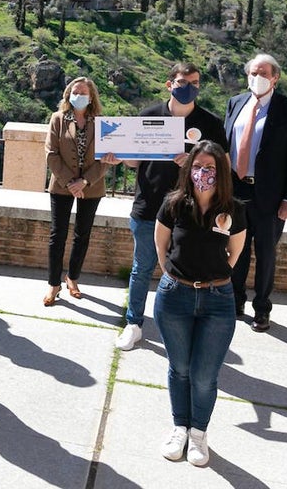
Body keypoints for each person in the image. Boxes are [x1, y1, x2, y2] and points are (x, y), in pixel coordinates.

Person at [115, 63, 227, 351]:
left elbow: (222, 166)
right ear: (169, 84)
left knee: (184, 272)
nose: (189, 86)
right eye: (182, 81)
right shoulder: (149, 115)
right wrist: (116, 154)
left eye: (195, 82)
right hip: (148, 205)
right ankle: (134, 323)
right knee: (142, 268)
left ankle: (179, 326)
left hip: (191, 212)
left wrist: (191, 162)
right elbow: (134, 161)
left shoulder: (211, 123)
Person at [154, 140, 246, 467]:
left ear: (221, 172)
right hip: (174, 297)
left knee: (204, 376)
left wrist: (211, 280)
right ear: (188, 168)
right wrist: (176, 278)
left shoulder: (234, 210)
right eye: (197, 166)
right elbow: (161, 246)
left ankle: (198, 433)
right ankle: (180, 426)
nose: (202, 173)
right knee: (179, 369)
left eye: (209, 167)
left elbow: (234, 255)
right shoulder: (174, 204)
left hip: (218, 302)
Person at [224, 53, 287, 332]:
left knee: (266, 254)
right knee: (236, 249)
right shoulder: (235, 103)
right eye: (252, 73)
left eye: (263, 73)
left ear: (275, 78)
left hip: (271, 197)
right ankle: (235, 301)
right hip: (235, 192)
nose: (256, 78)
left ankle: (262, 309)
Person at [44, 77, 111, 305]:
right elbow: (51, 154)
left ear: (91, 97)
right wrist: (71, 182)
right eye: (76, 91)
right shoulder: (58, 119)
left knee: (82, 235)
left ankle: (72, 278)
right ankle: (54, 284)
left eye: (84, 92)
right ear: (68, 94)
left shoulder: (102, 123)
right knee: (57, 235)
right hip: (62, 186)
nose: (79, 95)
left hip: (91, 187)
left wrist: (83, 181)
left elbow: (105, 159)